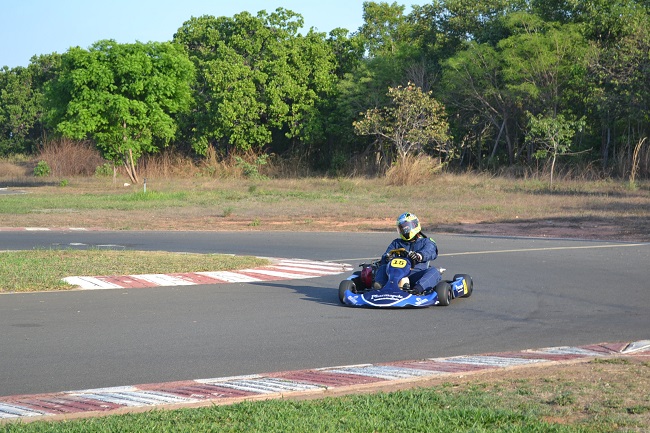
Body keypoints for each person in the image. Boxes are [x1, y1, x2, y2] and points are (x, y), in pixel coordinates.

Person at [373, 212, 441, 294]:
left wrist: (419, 255)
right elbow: (385, 255)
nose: (404, 230)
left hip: (415, 274)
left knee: (434, 271)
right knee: (383, 267)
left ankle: (417, 290)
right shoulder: (396, 243)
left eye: (406, 228)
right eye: (401, 228)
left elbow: (430, 251)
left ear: (414, 225)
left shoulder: (426, 242)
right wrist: (387, 257)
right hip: (394, 274)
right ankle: (379, 287)